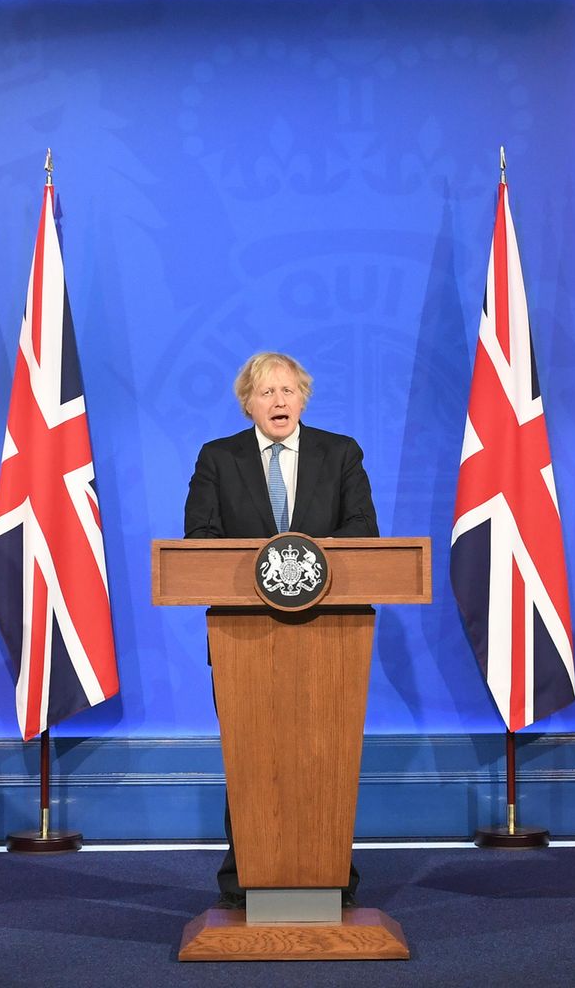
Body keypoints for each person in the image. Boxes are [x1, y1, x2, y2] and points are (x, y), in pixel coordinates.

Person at [183, 352, 377, 910]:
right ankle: (243, 879)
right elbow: (199, 539)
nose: (279, 402)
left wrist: (305, 560)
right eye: (267, 392)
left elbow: (364, 530)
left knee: (325, 757)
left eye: (289, 391)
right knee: (253, 758)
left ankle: (331, 873)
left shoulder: (340, 453)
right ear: (247, 402)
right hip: (244, 639)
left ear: (304, 399)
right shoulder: (218, 458)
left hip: (329, 639)